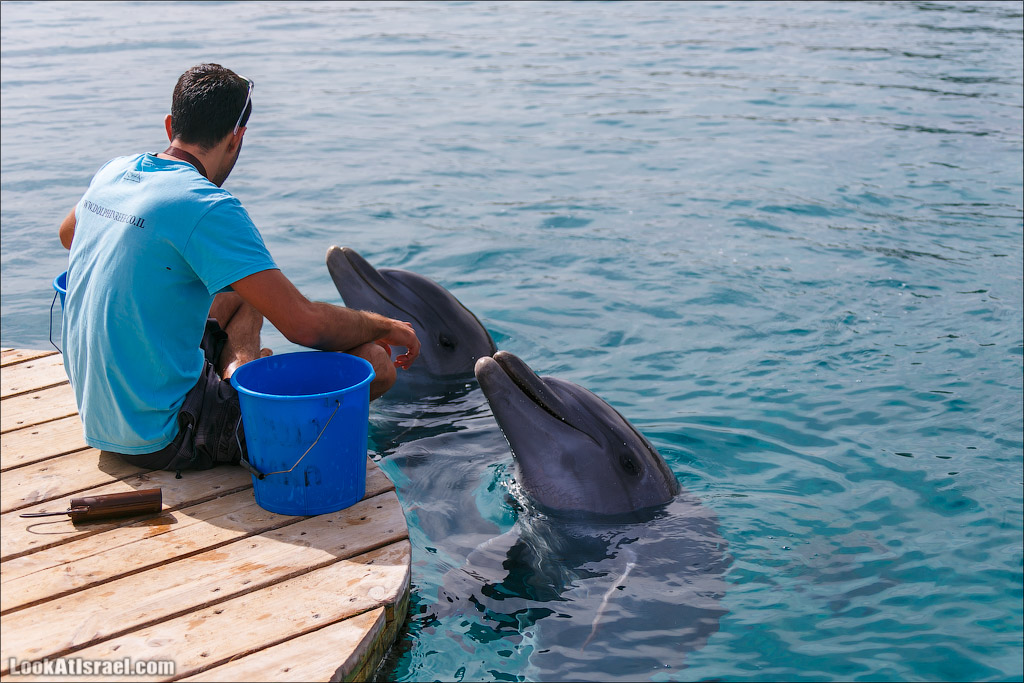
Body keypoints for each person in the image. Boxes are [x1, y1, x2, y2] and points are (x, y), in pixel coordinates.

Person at [58, 63, 420, 473]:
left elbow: (68, 235)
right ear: (237, 137)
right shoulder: (206, 205)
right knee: (375, 362)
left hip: (103, 415)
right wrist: (383, 325)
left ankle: (235, 379)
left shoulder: (113, 172)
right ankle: (236, 409)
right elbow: (306, 327)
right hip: (166, 435)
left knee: (244, 292)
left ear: (170, 125)